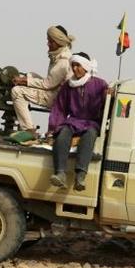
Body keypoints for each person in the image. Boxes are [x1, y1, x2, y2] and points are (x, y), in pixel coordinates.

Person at [48, 52, 108, 191]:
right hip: (73, 121)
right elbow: (60, 108)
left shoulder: (99, 84)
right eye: (73, 65)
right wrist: (53, 128)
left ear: (86, 67)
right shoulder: (67, 86)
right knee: (62, 135)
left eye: (78, 65)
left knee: (89, 137)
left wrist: (108, 94)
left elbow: (107, 104)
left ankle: (80, 176)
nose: (75, 69)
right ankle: (60, 173)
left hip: (92, 122)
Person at [11, 25, 75, 132]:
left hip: (57, 98)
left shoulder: (63, 61)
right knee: (30, 75)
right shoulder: (59, 55)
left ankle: (28, 129)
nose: (48, 44)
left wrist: (23, 81)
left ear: (59, 42)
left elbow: (47, 84)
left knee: (17, 91)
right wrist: (26, 79)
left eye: (51, 41)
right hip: (55, 91)